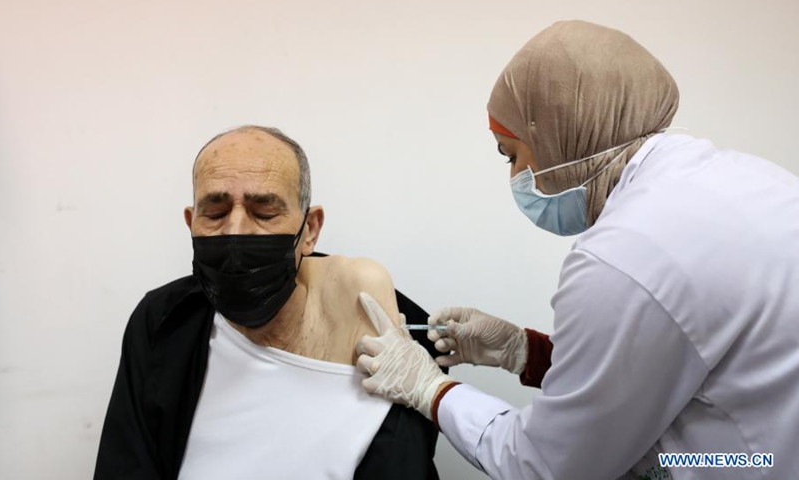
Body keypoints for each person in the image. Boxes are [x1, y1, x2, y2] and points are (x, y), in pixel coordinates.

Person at [355, 20, 799, 479]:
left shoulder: (624, 256)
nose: (515, 179)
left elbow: (545, 466)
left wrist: (429, 389)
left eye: (512, 155)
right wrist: (524, 350)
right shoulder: (745, 179)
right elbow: (650, 371)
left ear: (557, 135)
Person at [94, 126, 440, 479]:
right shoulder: (164, 322)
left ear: (310, 230)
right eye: (214, 214)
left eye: (264, 213)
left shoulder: (386, 336)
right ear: (191, 222)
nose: (235, 231)